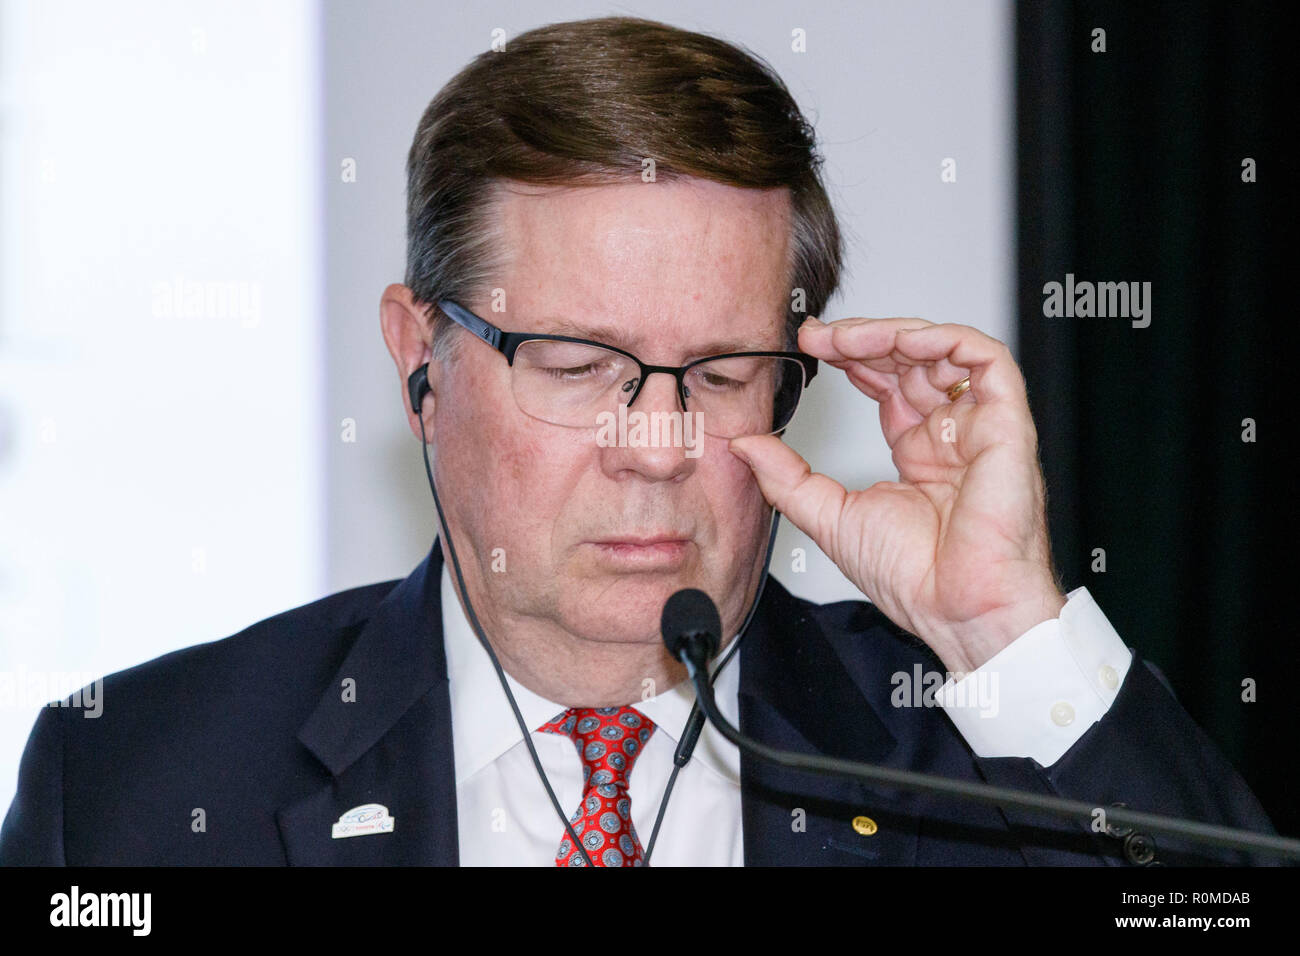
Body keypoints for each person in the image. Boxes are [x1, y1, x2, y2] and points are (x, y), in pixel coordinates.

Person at [0, 15, 1277, 867]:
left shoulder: (974, 755)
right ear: (417, 359)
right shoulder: (135, 786)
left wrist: (1009, 631)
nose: (656, 441)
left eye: (722, 372)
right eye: (577, 362)